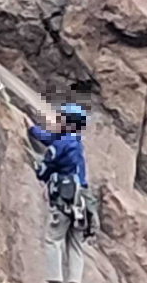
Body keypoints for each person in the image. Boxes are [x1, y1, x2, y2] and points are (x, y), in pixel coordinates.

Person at [27, 103, 98, 283]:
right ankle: (74, 280)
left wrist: (39, 171)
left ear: (70, 123)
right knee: (75, 244)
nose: (58, 122)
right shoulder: (74, 143)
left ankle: (54, 279)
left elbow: (47, 165)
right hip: (82, 200)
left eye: (62, 119)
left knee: (53, 239)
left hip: (66, 199)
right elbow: (50, 139)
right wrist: (33, 130)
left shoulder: (62, 144)